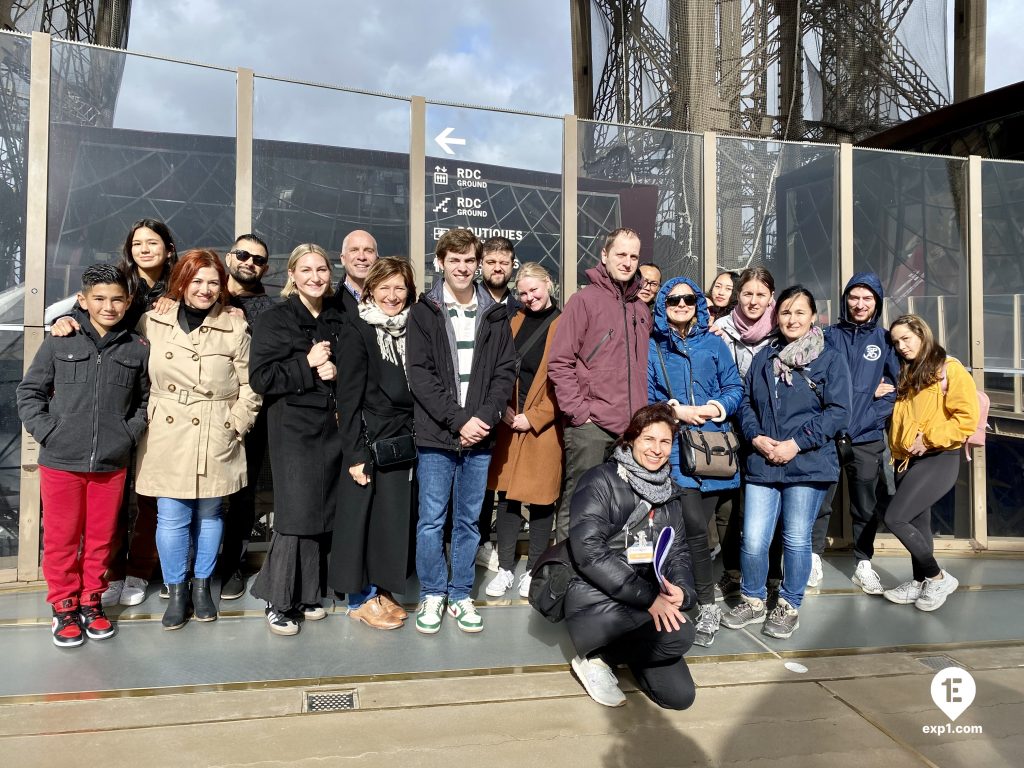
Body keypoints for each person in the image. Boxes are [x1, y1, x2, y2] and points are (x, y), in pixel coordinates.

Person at [18, 264, 151, 647]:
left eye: (117, 299)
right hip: (61, 462)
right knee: (61, 539)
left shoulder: (136, 348)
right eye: (100, 298)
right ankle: (63, 606)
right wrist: (49, 432)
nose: (109, 306)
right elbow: (30, 392)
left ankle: (92, 600)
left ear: (128, 301)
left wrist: (127, 435)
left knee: (101, 539)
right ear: (83, 300)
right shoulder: (61, 340)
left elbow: (145, 401)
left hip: (111, 463)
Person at [51, 219, 178, 608]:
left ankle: (140, 569)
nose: (144, 249)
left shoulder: (179, 285)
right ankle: (112, 574)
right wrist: (62, 320)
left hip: (158, 404)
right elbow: (80, 316)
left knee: (152, 497)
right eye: (137, 243)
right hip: (112, 407)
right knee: (112, 504)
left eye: (152, 242)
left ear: (169, 249)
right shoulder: (116, 283)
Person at [135, 250, 262, 630]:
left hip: (216, 427)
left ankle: (203, 586)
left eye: (213, 282)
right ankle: (177, 591)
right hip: (166, 431)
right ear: (181, 282)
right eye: (197, 281)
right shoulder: (151, 321)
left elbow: (251, 384)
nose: (205, 289)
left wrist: (235, 424)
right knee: (171, 515)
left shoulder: (234, 325)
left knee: (210, 512)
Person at [721, 286, 850, 639]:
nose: (792, 319)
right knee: (753, 538)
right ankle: (753, 598)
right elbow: (746, 402)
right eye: (785, 312)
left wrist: (796, 444)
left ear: (813, 317)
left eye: (799, 312)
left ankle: (789, 604)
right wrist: (755, 437)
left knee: (795, 538)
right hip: (764, 460)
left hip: (808, 462)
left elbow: (838, 412)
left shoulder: (830, 358)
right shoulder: (766, 355)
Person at [406, 228, 516, 635]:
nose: (463, 267)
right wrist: (458, 420)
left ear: (478, 263)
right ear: (441, 263)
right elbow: (420, 375)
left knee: (469, 522)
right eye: (455, 260)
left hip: (480, 435)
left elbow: (505, 372)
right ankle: (433, 592)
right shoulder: (425, 312)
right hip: (437, 435)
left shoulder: (495, 313)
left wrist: (482, 419)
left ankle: (460, 594)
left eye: (470, 260)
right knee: (431, 521)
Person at [564, 403, 697, 710]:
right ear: (631, 439)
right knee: (682, 634)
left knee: (679, 697)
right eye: (648, 439)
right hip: (598, 593)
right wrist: (649, 598)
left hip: (643, 598)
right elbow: (588, 552)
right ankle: (597, 658)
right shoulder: (600, 480)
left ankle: (630, 651)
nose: (657, 449)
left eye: (665, 442)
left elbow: (678, 551)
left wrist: (682, 590)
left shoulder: (669, 492)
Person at [249, 244, 346, 636]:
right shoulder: (275, 319)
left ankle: (307, 593)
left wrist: (337, 370)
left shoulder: (338, 316)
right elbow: (262, 378)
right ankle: (279, 600)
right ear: (292, 274)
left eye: (321, 269)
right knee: (295, 513)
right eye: (306, 270)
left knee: (321, 510)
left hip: (333, 428)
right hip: (293, 429)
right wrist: (305, 364)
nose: (315, 277)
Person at [647, 277, 742, 647]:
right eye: (674, 300)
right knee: (693, 528)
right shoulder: (654, 346)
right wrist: (677, 411)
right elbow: (648, 394)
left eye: (688, 299)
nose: (682, 305)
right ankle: (706, 603)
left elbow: (734, 387)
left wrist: (713, 408)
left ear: (698, 303)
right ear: (663, 306)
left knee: (708, 528)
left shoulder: (714, 343)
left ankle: (697, 593)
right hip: (676, 448)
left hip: (713, 448)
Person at [328, 258, 418, 630]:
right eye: (384, 288)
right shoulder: (358, 328)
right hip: (368, 438)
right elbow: (347, 398)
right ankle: (359, 599)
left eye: (399, 288)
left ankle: (380, 590)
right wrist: (355, 454)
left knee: (389, 520)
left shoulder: (414, 327)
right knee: (360, 520)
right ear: (371, 291)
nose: (392, 296)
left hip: (400, 438)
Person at [548, 228, 651, 542]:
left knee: (621, 509)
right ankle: (565, 569)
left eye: (633, 256)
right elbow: (559, 362)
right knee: (580, 504)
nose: (627, 262)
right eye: (620, 254)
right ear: (604, 255)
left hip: (630, 430)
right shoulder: (583, 301)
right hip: (591, 427)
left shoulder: (640, 309)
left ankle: (607, 568)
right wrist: (580, 413)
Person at [807, 273, 900, 592]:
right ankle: (813, 558)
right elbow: (811, 378)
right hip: (828, 435)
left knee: (865, 504)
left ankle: (863, 562)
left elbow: (894, 389)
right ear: (845, 299)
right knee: (820, 501)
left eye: (867, 298)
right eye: (854, 297)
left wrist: (868, 416)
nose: (860, 304)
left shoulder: (885, 341)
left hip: (867, 437)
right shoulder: (828, 336)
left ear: (877, 303)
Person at [881, 315, 979, 611]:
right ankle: (919, 581)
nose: (901, 346)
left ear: (922, 335)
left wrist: (929, 439)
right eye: (896, 342)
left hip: (938, 457)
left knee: (895, 518)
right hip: (907, 459)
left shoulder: (950, 369)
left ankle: (937, 578)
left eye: (906, 339)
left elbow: (966, 420)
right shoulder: (908, 372)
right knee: (917, 523)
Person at [484, 262, 562, 599]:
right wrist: (501, 408)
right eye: (523, 292)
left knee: (542, 500)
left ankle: (534, 569)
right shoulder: (512, 319)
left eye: (534, 290)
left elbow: (568, 380)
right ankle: (505, 567)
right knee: (507, 498)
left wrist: (536, 417)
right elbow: (494, 367)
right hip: (508, 420)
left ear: (549, 284)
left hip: (543, 425)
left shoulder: (564, 323)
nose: (529, 297)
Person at [711, 267, 780, 601]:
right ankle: (732, 572)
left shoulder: (782, 331)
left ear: (771, 298)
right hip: (727, 428)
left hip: (768, 430)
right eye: (747, 293)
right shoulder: (719, 330)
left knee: (765, 505)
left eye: (760, 294)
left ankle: (771, 576)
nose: (753, 301)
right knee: (728, 506)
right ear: (737, 295)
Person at [217, 234, 277, 600]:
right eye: (243, 254)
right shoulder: (203, 293)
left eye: (258, 259)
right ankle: (190, 570)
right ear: (229, 257)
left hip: (250, 413)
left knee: (243, 491)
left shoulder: (268, 309)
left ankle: (232, 565)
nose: (249, 262)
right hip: (201, 412)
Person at [476, 236, 521, 571]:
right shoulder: (470, 300)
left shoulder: (520, 307)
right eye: (491, 262)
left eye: (503, 262)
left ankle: (499, 545)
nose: (497, 268)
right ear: (481, 265)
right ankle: (478, 542)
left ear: (512, 266)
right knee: (477, 483)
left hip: (512, 405)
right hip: (476, 406)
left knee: (503, 478)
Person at [331, 229, 378, 314]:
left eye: (368, 251)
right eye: (354, 250)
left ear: (377, 259)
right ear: (343, 259)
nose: (361, 257)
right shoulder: (328, 305)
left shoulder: (394, 300)